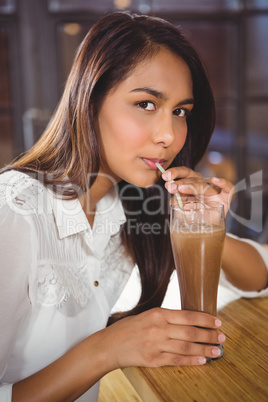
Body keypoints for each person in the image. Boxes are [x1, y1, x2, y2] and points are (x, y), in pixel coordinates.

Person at [0, 11, 267, 402]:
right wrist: (108, 348)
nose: (168, 135)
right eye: (145, 104)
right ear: (89, 100)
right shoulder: (16, 211)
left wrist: (205, 225)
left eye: (180, 112)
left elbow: (259, 277)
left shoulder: (132, 200)